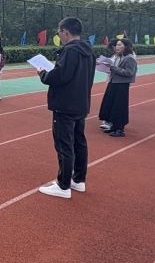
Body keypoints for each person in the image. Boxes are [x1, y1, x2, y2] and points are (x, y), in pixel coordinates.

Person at [37, 17, 95, 199]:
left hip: (65, 104)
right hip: (81, 103)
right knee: (79, 142)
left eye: (59, 32)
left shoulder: (70, 51)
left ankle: (63, 186)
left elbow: (61, 76)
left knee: (64, 145)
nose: (59, 36)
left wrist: (43, 74)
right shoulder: (88, 51)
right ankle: (78, 180)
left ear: (65, 31)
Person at [98, 38, 137, 138]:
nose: (117, 47)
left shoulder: (129, 58)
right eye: (117, 45)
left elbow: (129, 72)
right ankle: (114, 126)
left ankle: (120, 128)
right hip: (113, 82)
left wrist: (113, 68)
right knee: (111, 104)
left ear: (126, 46)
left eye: (120, 45)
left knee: (119, 106)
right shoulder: (118, 57)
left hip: (121, 85)